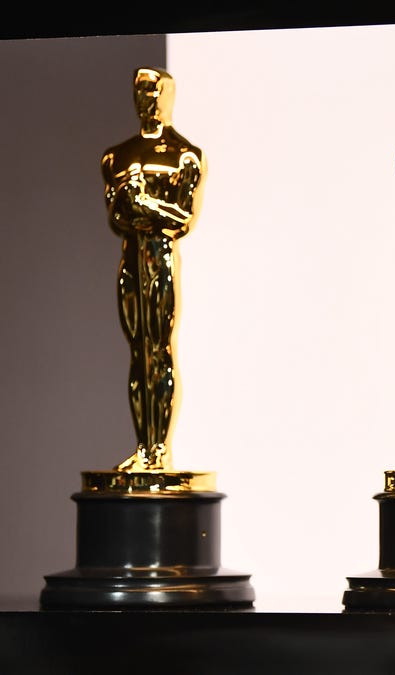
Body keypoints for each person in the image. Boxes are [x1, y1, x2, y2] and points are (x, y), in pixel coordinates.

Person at [101, 67, 205, 472]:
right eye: (140, 90)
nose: (145, 97)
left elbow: (181, 219)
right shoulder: (117, 156)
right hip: (132, 257)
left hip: (159, 256)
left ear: (167, 95)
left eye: (152, 90)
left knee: (158, 350)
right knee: (137, 352)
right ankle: (144, 447)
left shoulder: (183, 155)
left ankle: (158, 449)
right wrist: (132, 207)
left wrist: (144, 205)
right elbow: (114, 219)